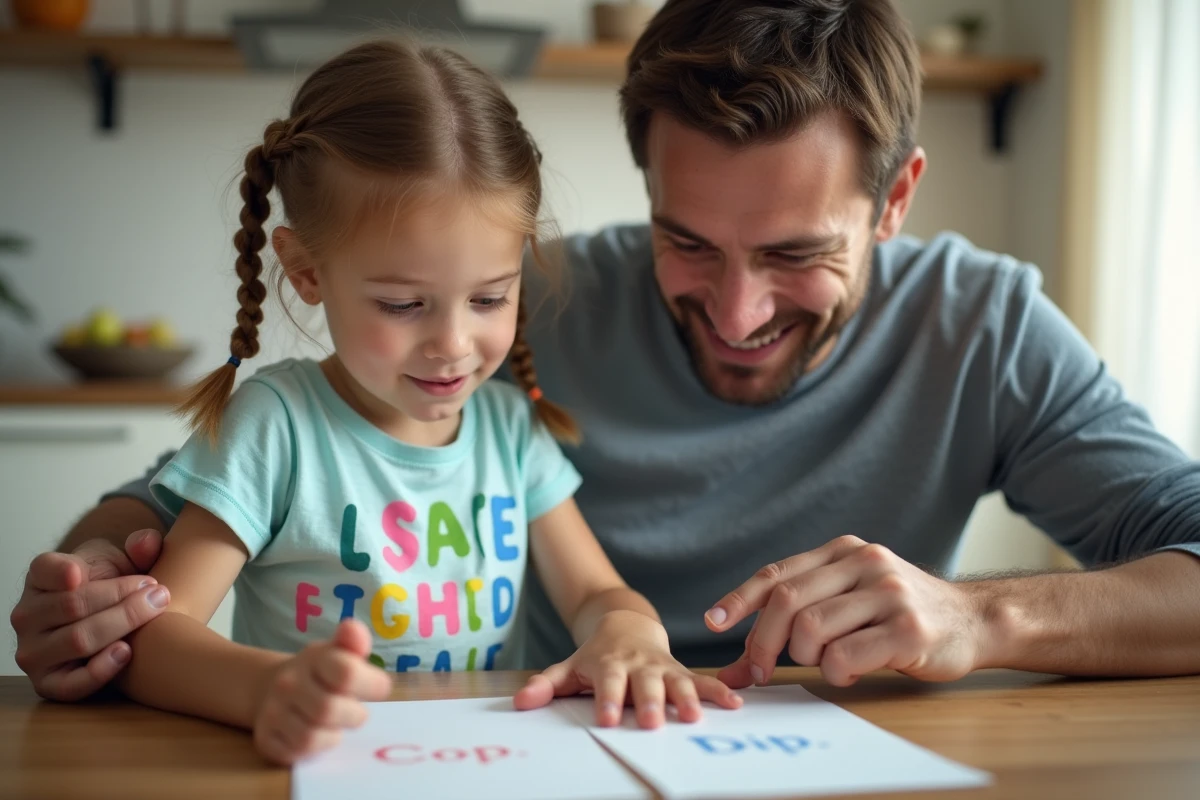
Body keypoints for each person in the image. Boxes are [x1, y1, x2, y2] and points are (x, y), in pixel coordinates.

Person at [12, 0, 1200, 707]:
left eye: (794, 252)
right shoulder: (505, 306)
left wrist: (982, 619)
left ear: (895, 200)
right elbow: (196, 493)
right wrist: (91, 587)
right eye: (688, 241)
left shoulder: (984, 327)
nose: (736, 311)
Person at [16, 39, 740, 765]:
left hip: (483, 764)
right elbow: (157, 636)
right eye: (401, 304)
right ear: (305, 270)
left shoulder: (512, 431)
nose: (453, 343)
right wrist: (267, 689)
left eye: (490, 297)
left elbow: (596, 594)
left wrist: (629, 633)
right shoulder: (276, 427)